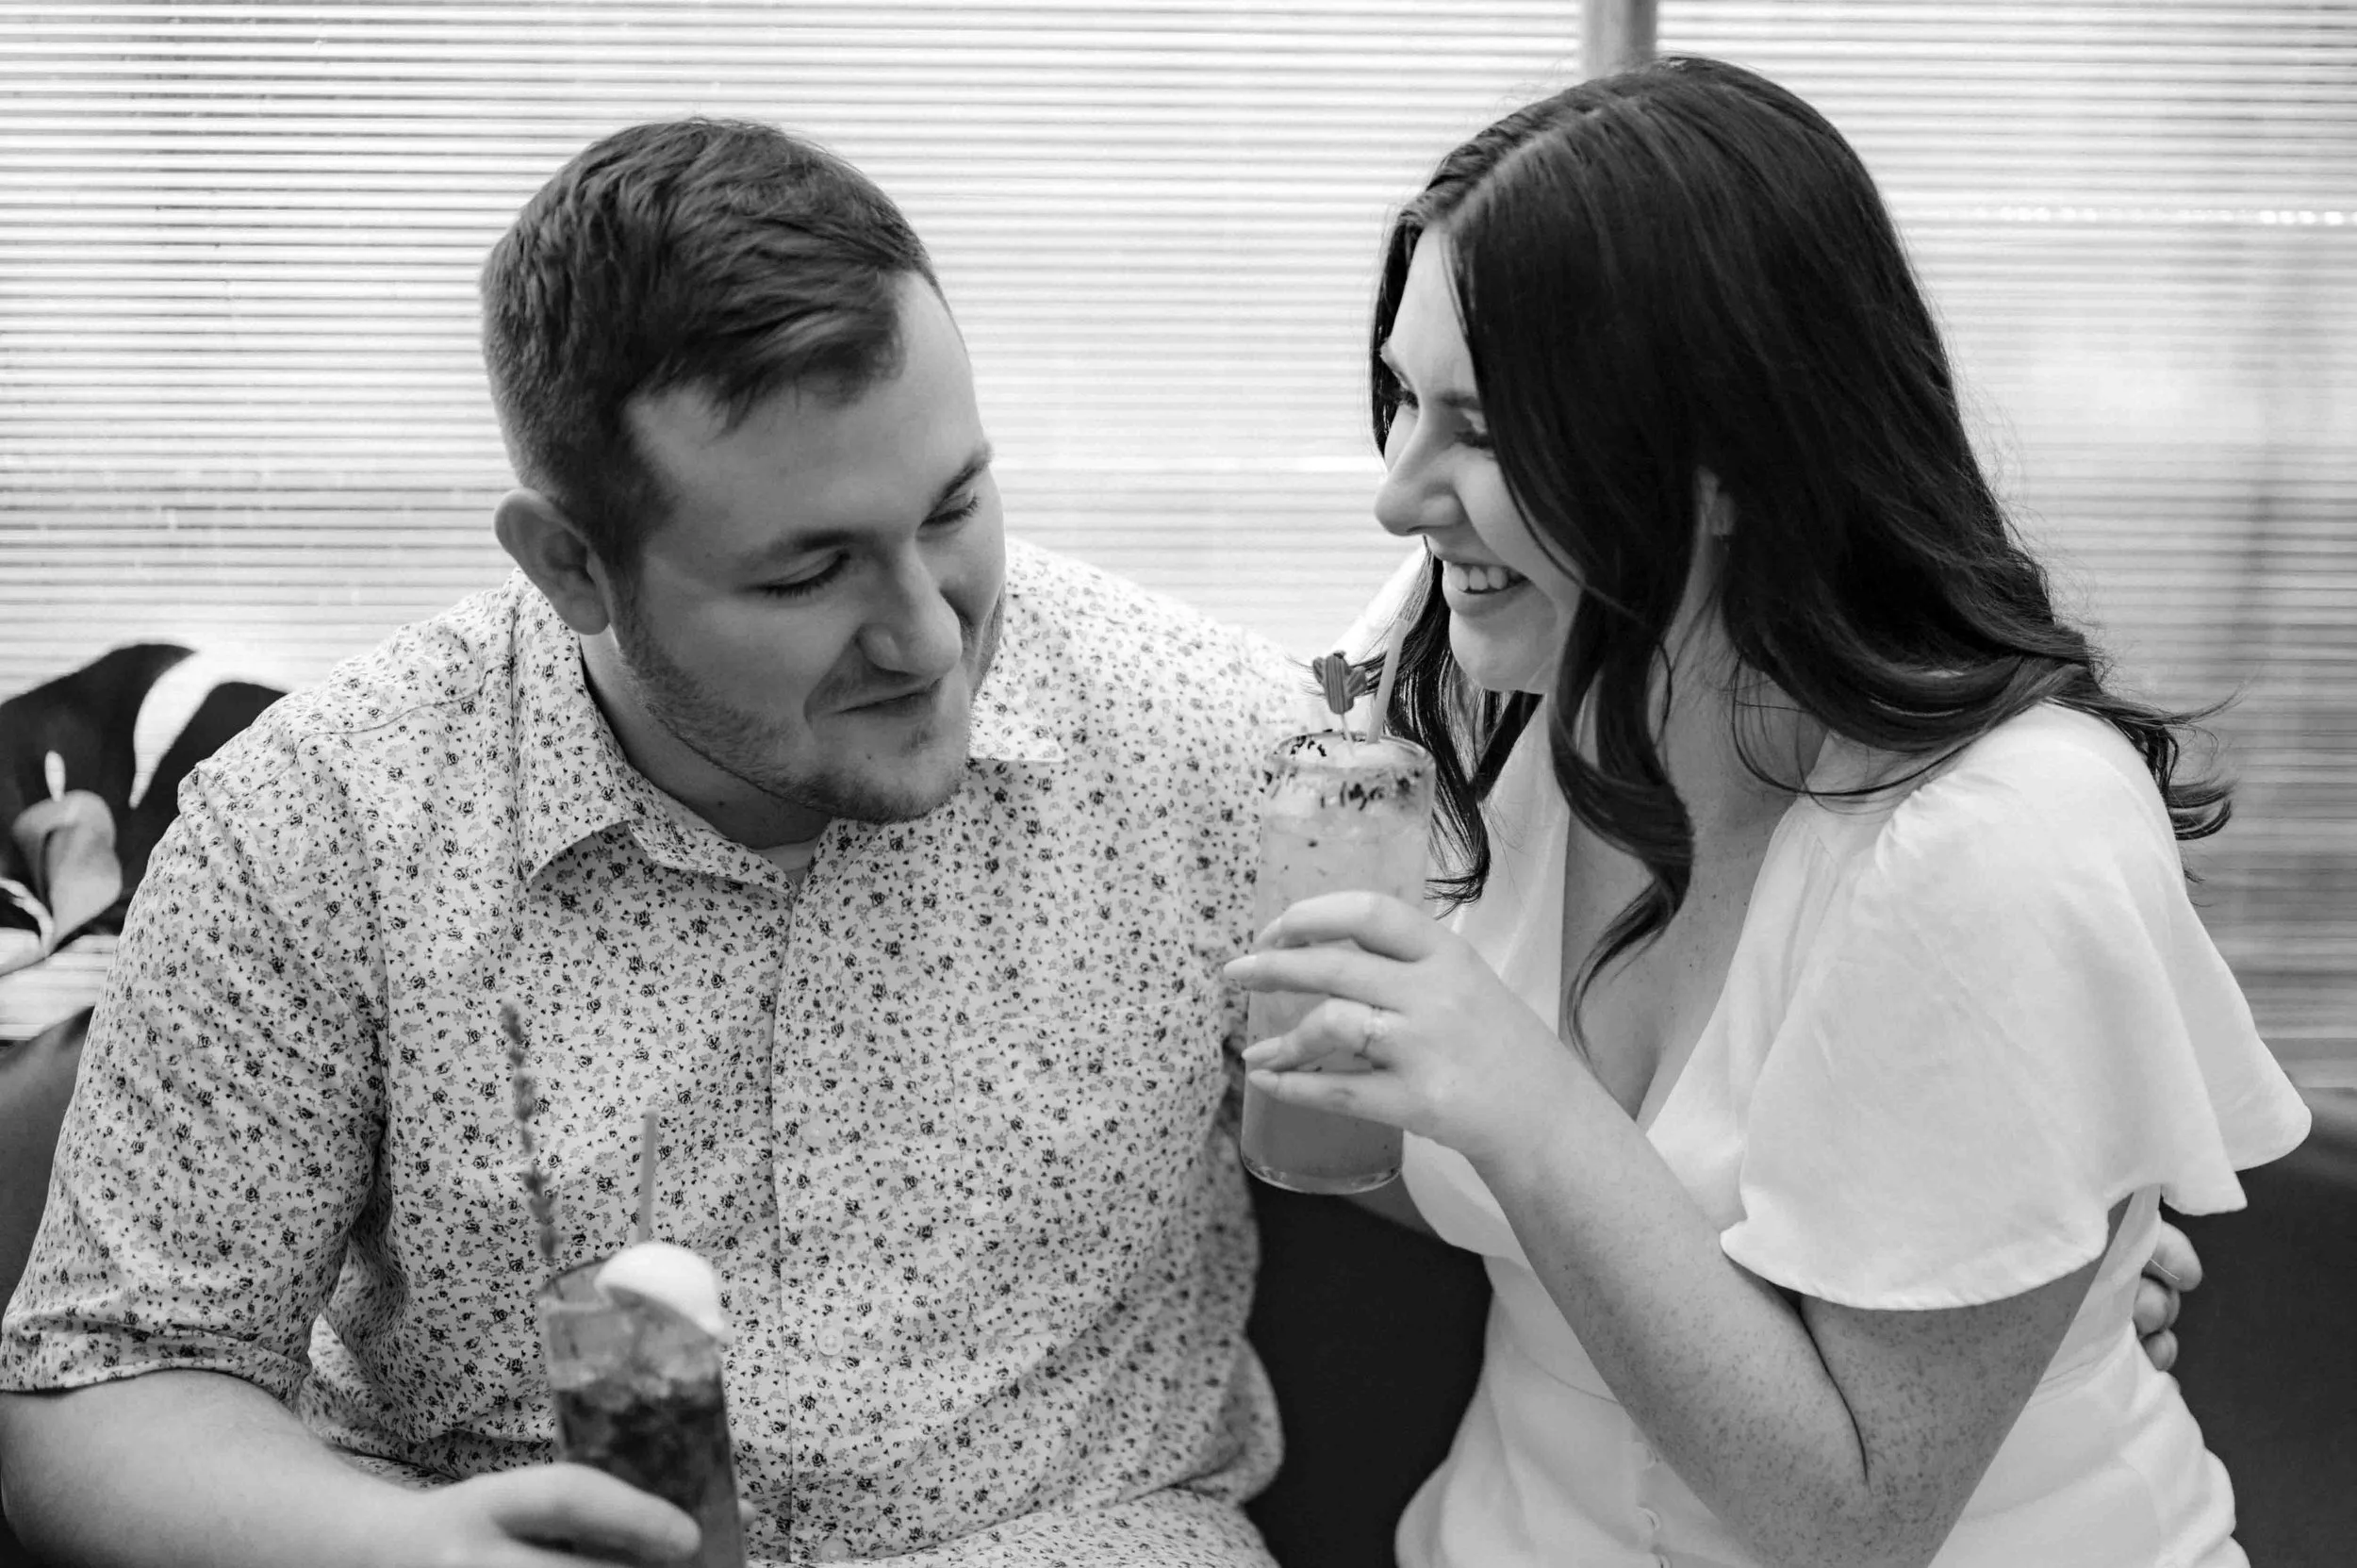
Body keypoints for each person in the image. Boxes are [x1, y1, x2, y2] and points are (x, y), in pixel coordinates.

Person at [0, 119, 1301, 1567]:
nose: (933, 637)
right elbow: (98, 1385)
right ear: (569, 564)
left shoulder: (1224, 750)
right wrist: (416, 1554)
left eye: (955, 507)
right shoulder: (318, 827)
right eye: (810, 569)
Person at [1226, 56, 2307, 1568]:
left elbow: (1849, 1519)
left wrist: (1520, 1092)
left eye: (1478, 427)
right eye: (1403, 399)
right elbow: (1445, 1177)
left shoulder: (2002, 846)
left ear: (1726, 467)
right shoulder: (1491, 673)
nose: (1399, 493)